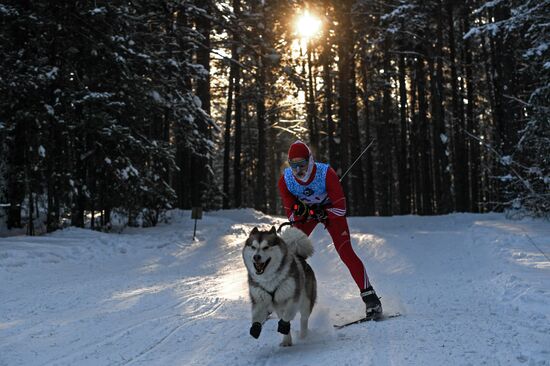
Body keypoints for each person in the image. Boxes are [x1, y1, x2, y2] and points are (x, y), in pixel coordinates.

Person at [278, 140, 382, 319]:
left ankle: (371, 298)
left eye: (301, 165)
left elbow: (341, 209)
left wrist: (321, 211)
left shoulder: (326, 174)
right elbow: (292, 216)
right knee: (290, 252)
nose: (298, 170)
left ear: (310, 161)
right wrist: (301, 210)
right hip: (310, 216)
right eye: (293, 166)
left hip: (331, 214)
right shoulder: (286, 180)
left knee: (346, 252)